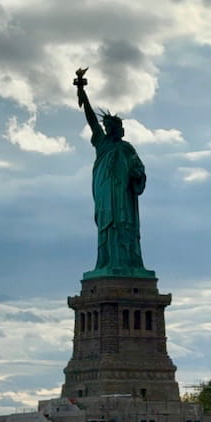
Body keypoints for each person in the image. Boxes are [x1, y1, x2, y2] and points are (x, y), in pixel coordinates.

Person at [75, 68, 149, 275]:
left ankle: (129, 264)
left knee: (124, 226)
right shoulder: (101, 142)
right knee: (107, 227)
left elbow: (139, 170)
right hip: (106, 192)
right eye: (107, 126)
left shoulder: (126, 149)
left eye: (112, 126)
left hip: (123, 195)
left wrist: (137, 175)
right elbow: (90, 119)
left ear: (120, 129)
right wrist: (81, 89)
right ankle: (107, 263)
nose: (109, 130)